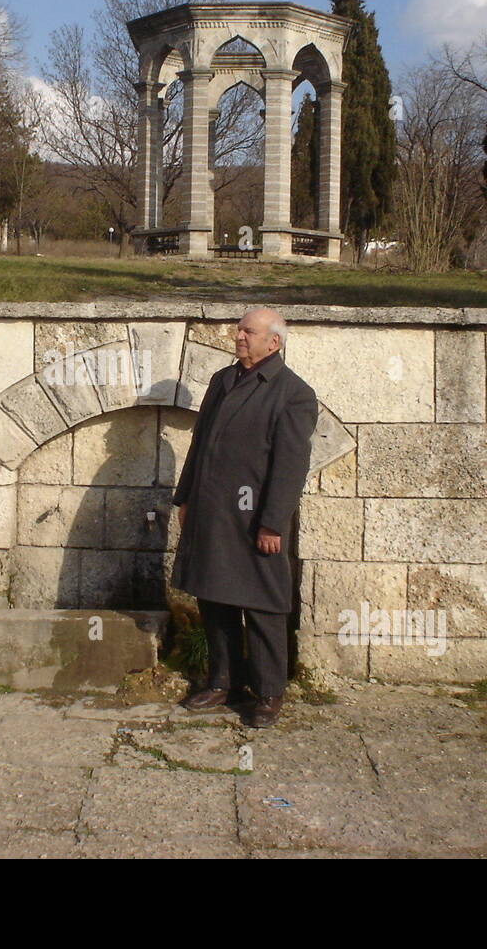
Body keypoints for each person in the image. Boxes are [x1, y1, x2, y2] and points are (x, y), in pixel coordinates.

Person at [170, 307, 319, 728]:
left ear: (273, 342)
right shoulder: (222, 380)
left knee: (262, 605)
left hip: (256, 519)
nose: (238, 336)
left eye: (247, 331)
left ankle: (269, 692)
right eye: (238, 329)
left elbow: (290, 465)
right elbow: (201, 444)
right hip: (212, 511)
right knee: (213, 598)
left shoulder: (293, 393)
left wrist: (273, 522)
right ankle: (223, 681)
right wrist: (186, 499)